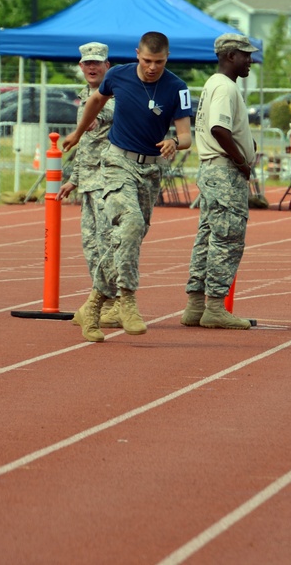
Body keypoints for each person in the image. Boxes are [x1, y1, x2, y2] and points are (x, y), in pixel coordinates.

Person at [62, 31, 193, 342]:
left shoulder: (177, 88)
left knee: (127, 238)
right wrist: (78, 133)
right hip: (117, 163)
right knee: (131, 224)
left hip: (150, 170)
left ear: (167, 59)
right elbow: (95, 100)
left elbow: (187, 136)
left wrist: (176, 142)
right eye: (147, 61)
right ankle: (128, 300)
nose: (151, 67)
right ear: (137, 54)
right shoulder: (118, 76)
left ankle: (93, 305)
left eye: (158, 62)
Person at [181, 34, 259, 330]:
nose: (250, 60)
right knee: (227, 238)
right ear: (230, 56)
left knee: (207, 236)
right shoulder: (225, 87)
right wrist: (241, 161)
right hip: (225, 171)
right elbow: (219, 128)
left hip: (212, 170)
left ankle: (195, 305)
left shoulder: (214, 83)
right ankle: (214, 306)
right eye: (245, 55)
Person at [56, 42, 120, 329]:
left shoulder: (114, 93)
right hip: (90, 183)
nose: (92, 67)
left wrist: (90, 121)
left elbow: (104, 115)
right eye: (87, 63)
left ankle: (118, 301)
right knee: (91, 246)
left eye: (97, 62)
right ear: (81, 67)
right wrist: (73, 179)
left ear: (108, 65)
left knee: (109, 243)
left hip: (110, 181)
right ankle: (102, 300)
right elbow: (84, 146)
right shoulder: (85, 96)